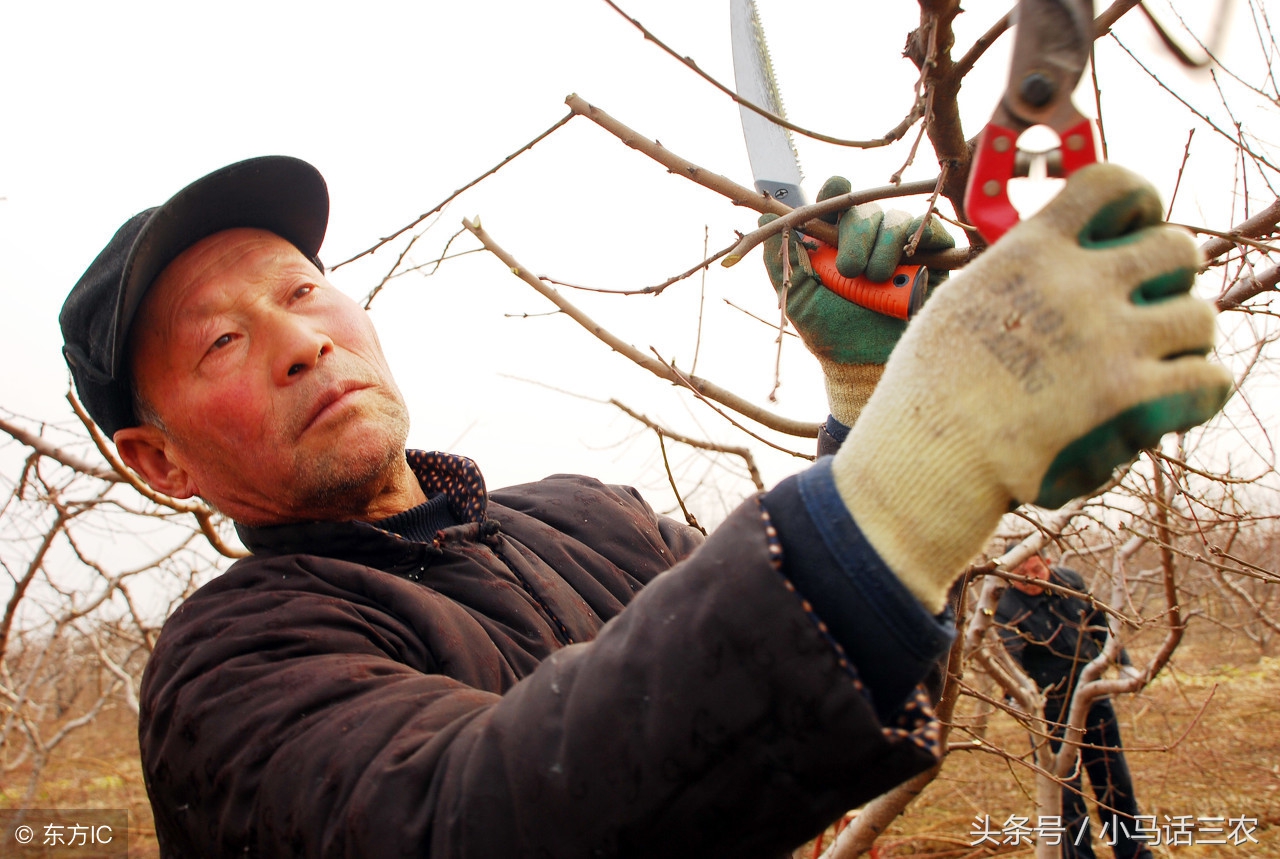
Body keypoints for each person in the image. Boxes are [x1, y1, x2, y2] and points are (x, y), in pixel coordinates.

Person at [58, 154, 1228, 858]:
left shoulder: (584, 513)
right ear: (159, 463)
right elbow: (476, 825)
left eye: (303, 288)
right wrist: (931, 449)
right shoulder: (227, 670)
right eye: (223, 337)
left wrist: (871, 409)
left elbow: (808, 684)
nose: (301, 341)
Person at [996, 548, 1154, 859]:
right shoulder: (1005, 606)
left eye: (1036, 569)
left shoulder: (1070, 581)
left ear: (1048, 563)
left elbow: (1099, 621)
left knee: (1115, 782)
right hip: (1049, 708)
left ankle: (1134, 853)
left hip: (1093, 697)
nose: (1029, 578)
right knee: (1065, 796)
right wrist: (1016, 692)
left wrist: (1123, 662)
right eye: (1020, 574)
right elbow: (1007, 655)